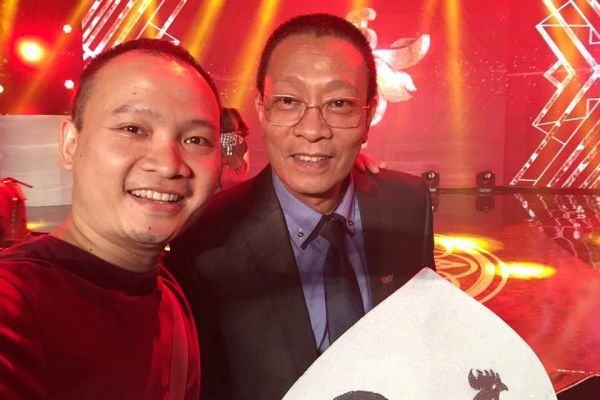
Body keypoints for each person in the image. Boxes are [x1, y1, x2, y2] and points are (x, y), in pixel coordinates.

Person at [167, 13, 435, 400]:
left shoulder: (407, 205)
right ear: (262, 109)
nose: (312, 130)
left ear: (368, 113)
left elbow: (425, 337)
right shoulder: (206, 242)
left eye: (339, 104)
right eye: (288, 102)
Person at [0, 38, 222, 399]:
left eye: (196, 140)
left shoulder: (170, 294)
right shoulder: (14, 303)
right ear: (71, 144)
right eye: (133, 129)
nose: (168, 164)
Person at [218, 107, 250, 190]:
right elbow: (247, 167)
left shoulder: (214, 140)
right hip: (238, 186)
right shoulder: (241, 140)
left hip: (220, 187)